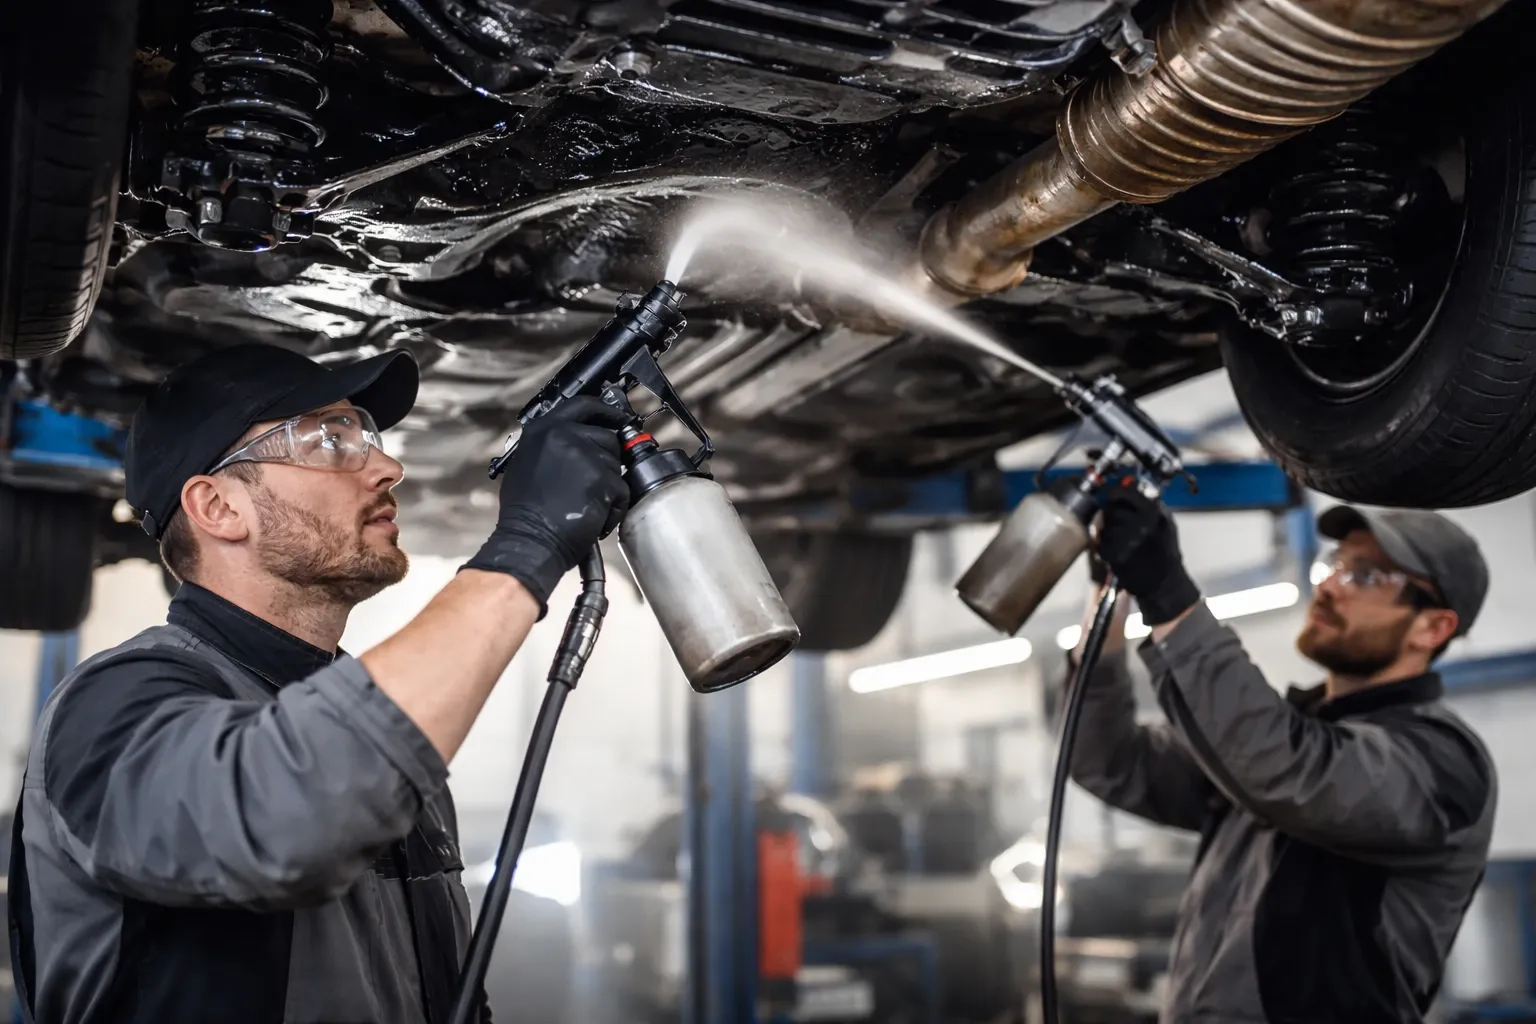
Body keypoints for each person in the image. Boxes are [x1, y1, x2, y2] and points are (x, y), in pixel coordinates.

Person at [7, 343, 633, 1023]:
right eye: (331, 440)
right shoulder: (115, 707)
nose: (389, 467)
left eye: (368, 436)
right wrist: (528, 543)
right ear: (218, 507)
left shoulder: (376, 735)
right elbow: (280, 818)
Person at [1069, 484, 1497, 1024]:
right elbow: (1107, 759)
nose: (1331, 589)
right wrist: (1110, 591)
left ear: (1432, 627)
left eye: (1364, 576)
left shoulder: (1441, 764)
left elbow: (1288, 769)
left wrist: (1170, 597)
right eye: (1333, 567)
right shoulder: (1284, 740)